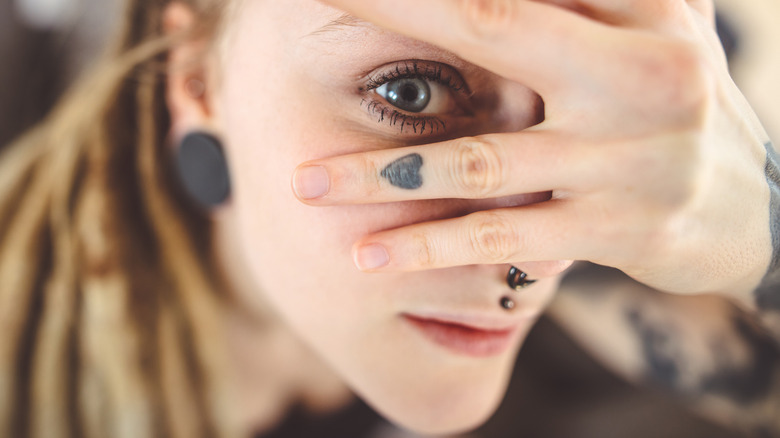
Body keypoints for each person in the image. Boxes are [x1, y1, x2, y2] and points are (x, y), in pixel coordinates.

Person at [0, 0, 777, 437]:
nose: (528, 256)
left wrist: (763, 239)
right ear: (198, 73)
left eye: (577, 121)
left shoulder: (608, 273)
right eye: (410, 94)